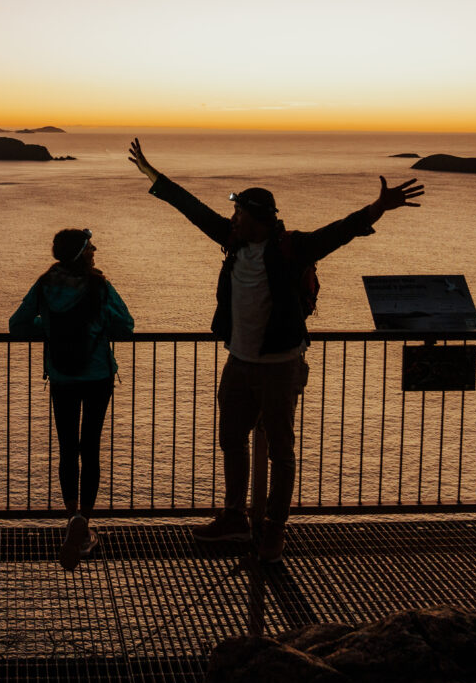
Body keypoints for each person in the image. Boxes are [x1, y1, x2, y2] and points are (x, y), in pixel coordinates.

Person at [127, 138, 423, 562]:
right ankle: (234, 518)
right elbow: (191, 208)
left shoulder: (292, 249)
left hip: (280, 366)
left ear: (257, 219)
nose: (232, 218)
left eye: (239, 213)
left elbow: (340, 232)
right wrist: (151, 173)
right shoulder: (233, 242)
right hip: (238, 363)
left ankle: (274, 528)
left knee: (282, 451)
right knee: (232, 440)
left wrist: (379, 208)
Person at [10, 228, 135, 570]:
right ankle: (85, 522)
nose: (95, 249)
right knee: (90, 447)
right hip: (97, 377)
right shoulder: (99, 286)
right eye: (90, 246)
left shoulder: (46, 284)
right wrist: (98, 327)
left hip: (62, 379)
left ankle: (71, 516)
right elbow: (126, 325)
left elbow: (17, 324)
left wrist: (49, 328)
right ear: (81, 253)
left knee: (67, 447)